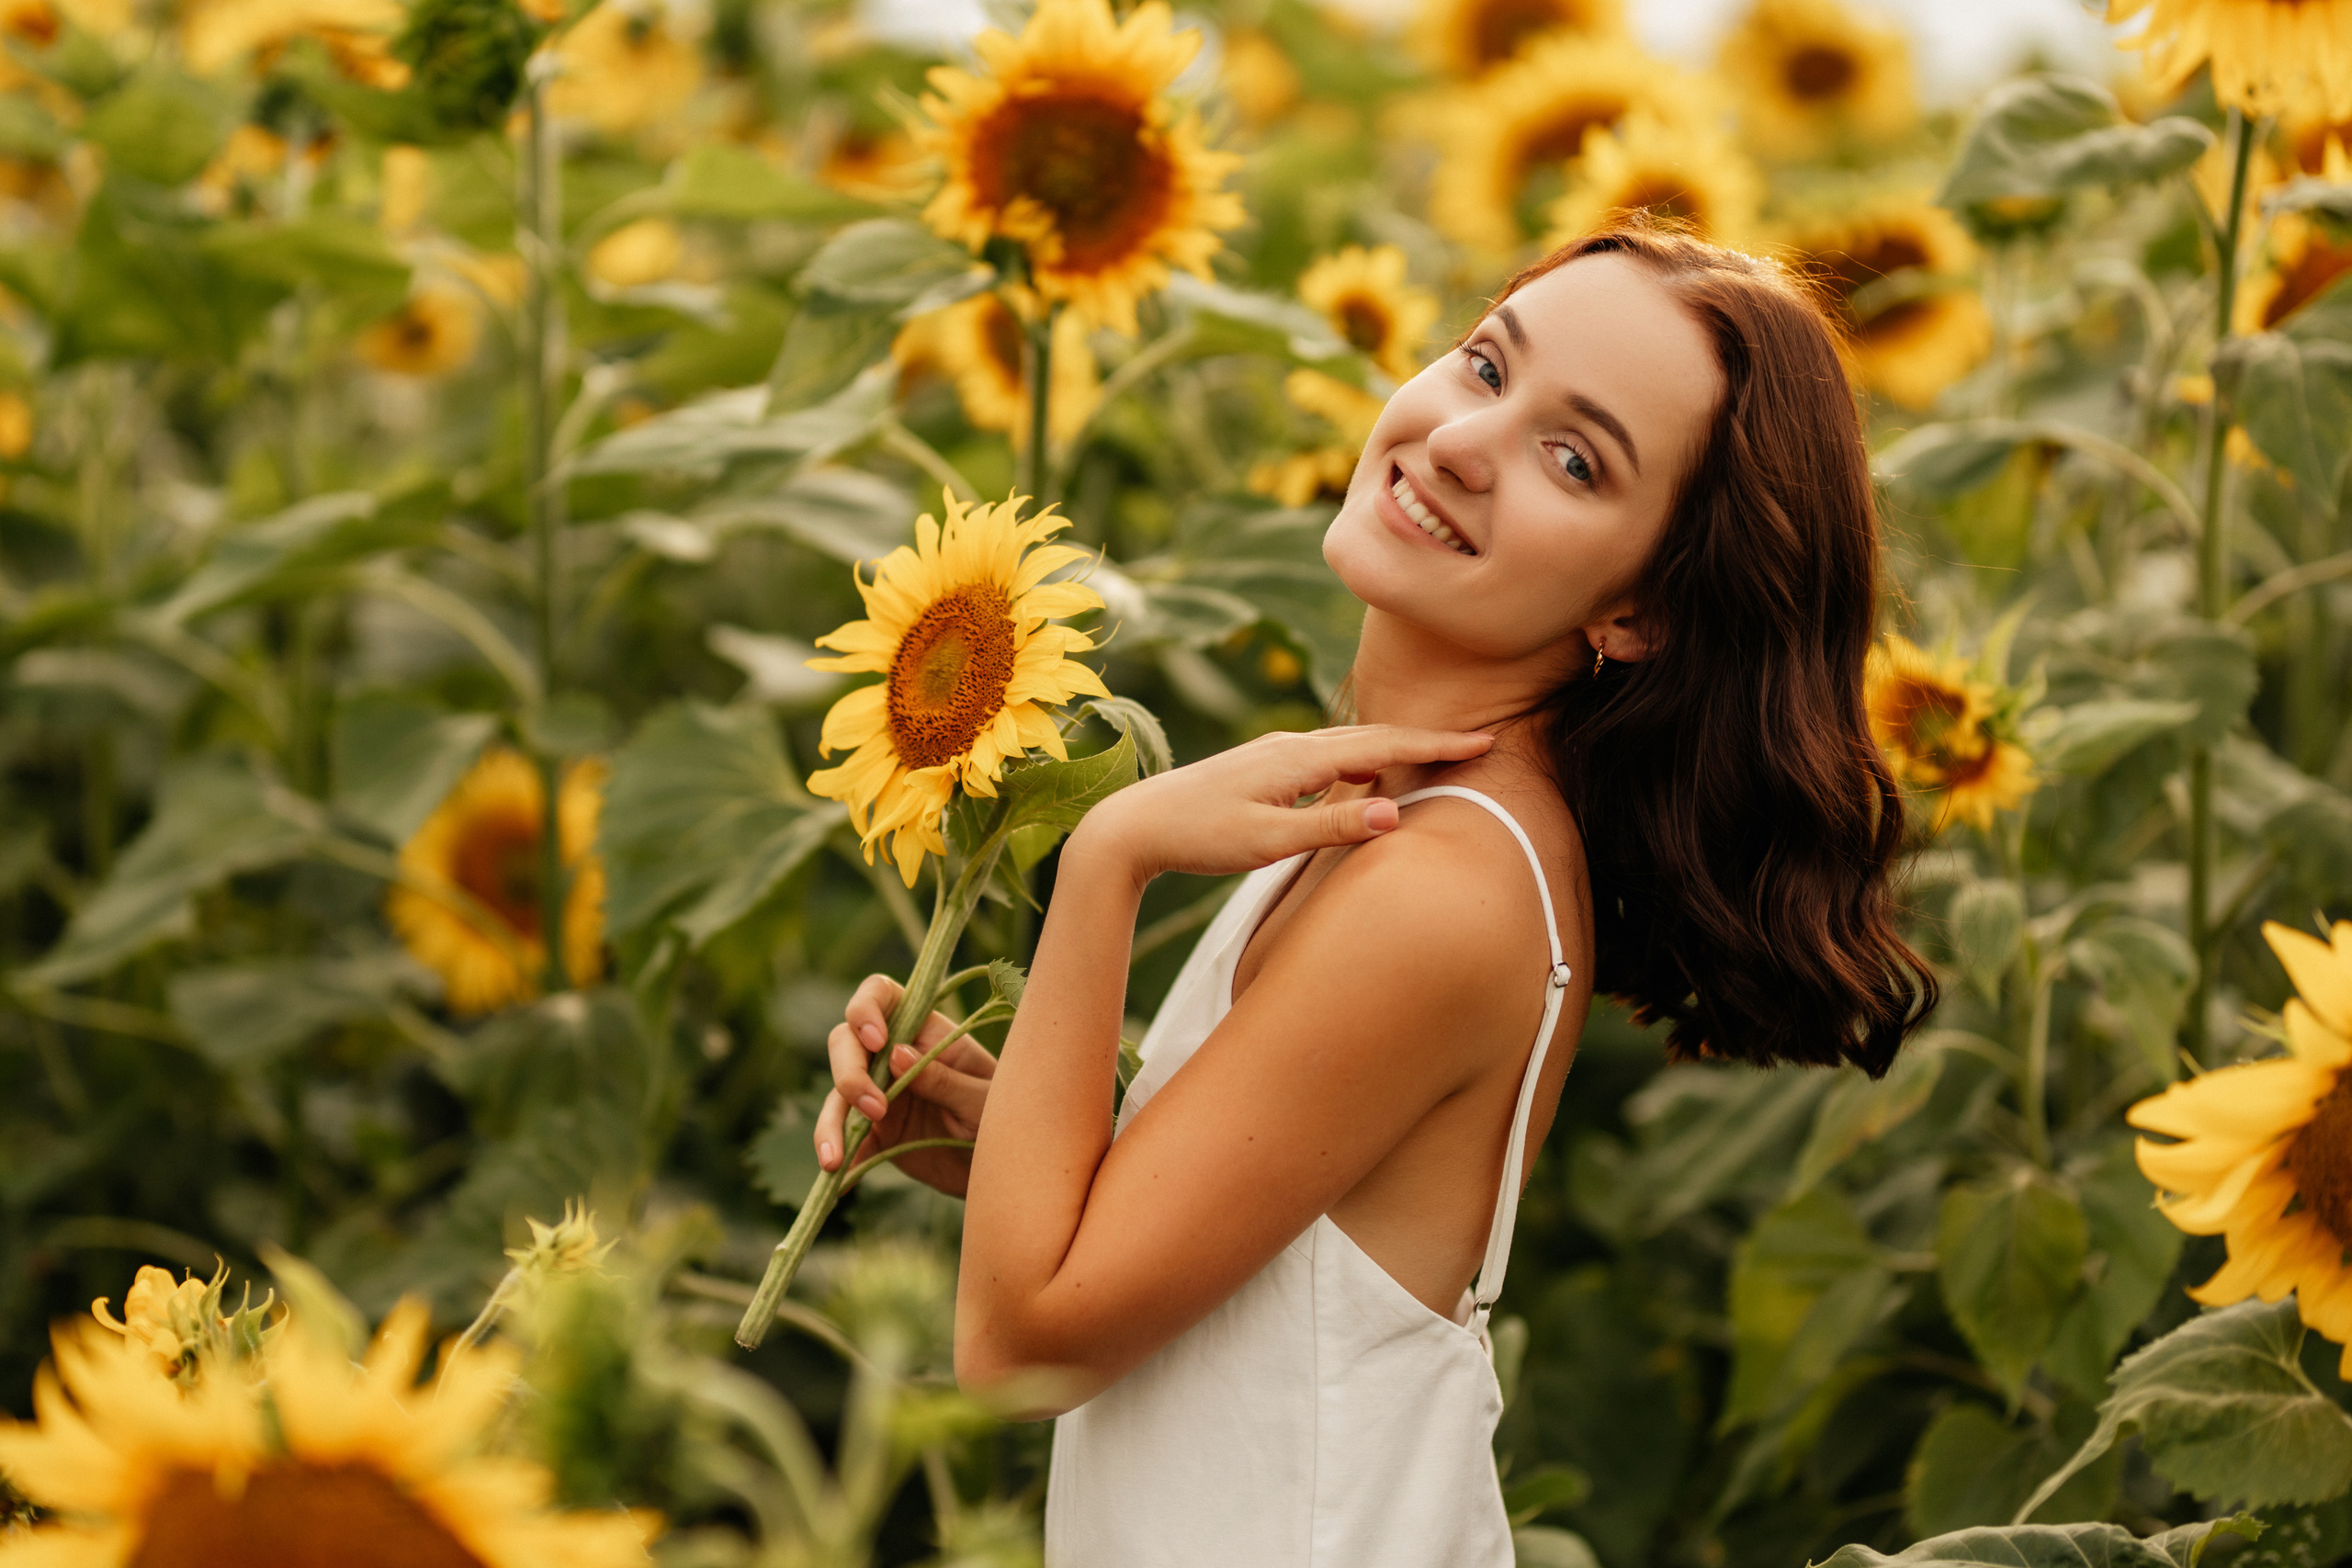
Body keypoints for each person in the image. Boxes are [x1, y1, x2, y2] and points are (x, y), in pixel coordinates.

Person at [810, 223, 1937, 1565]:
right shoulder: (1394, 808)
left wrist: (1108, 858)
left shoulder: (1441, 890)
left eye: (1572, 459)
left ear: (1639, 609)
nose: (1466, 442)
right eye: (1483, 365)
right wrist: (999, 1138)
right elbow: (1279, 1262)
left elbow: (1018, 1346)